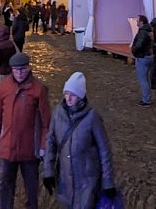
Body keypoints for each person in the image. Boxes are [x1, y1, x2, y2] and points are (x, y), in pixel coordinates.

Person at [42, 72, 116, 208]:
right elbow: (50, 141)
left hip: (87, 180)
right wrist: (48, 171)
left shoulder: (93, 117)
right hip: (65, 178)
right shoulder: (58, 113)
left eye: (73, 95)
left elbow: (104, 150)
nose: (69, 98)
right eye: (66, 93)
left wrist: (107, 182)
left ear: (80, 96)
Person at [0, 52, 51, 209]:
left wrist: (43, 146)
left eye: (22, 70)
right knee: (4, 184)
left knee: (31, 185)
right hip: (7, 147)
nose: (19, 73)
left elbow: (46, 122)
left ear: (28, 68)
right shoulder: (5, 87)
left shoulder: (38, 89)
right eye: (16, 70)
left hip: (29, 149)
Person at [0, 25, 17, 93]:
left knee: (0, 93)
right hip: (9, 72)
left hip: (0, 73)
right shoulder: (11, 43)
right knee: (8, 92)